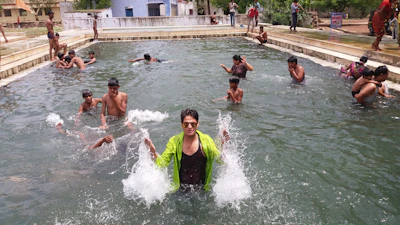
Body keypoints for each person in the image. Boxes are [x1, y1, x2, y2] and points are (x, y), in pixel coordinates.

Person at [144, 108, 229, 192]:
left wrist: (223, 144)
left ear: (198, 124)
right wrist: (152, 151)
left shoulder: (207, 141)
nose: (189, 127)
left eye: (193, 124)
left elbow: (220, 160)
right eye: (186, 124)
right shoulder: (174, 141)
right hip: (180, 191)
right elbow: (162, 164)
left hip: (202, 192)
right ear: (181, 125)